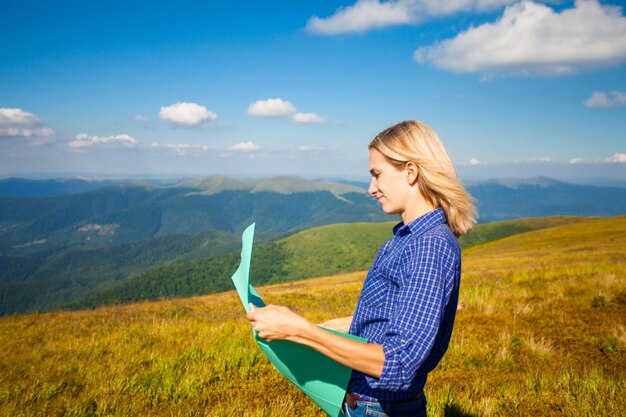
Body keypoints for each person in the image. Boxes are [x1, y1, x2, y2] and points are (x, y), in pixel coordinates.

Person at [247, 120, 477, 417]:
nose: (371, 188)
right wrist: (331, 326)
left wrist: (300, 331)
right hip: (368, 402)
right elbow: (389, 320)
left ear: (410, 171)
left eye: (377, 175)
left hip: (381, 407)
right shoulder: (408, 240)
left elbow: (399, 364)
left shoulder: (429, 246)